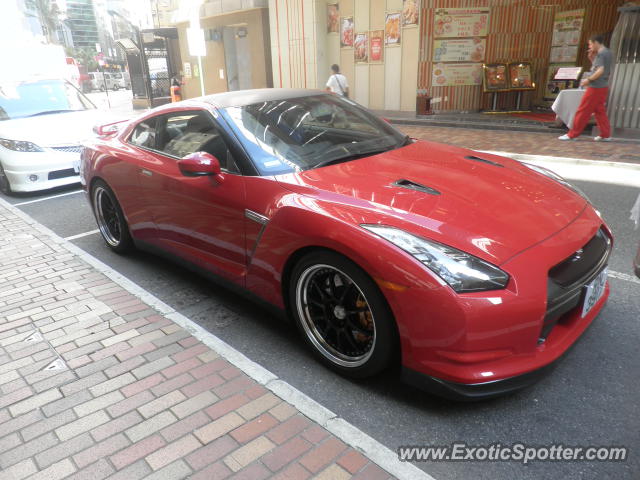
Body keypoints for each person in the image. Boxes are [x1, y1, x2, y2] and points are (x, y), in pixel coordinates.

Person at [558, 34, 613, 142]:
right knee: (599, 111)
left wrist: (589, 80)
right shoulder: (608, 52)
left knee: (583, 110)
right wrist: (592, 59)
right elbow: (599, 68)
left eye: (591, 44)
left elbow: (600, 70)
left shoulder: (601, 54)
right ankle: (605, 134)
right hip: (603, 86)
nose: (590, 47)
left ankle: (573, 134)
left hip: (595, 87)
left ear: (596, 42)